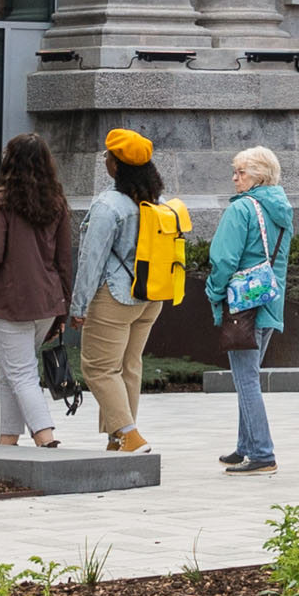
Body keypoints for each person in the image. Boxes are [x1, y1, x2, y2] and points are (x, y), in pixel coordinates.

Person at [70, 132, 177, 455]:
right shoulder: (151, 202)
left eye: (107, 157)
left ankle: (129, 435)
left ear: (117, 165)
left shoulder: (108, 206)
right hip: (150, 298)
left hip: (114, 297)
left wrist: (79, 305)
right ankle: (117, 438)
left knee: (99, 368)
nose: (105, 161)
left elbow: (92, 259)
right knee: (129, 366)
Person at [0, 132, 75, 446]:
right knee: (13, 369)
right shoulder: (56, 201)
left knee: (20, 372)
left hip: (10, 299)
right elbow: (64, 259)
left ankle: (45, 437)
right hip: (47, 299)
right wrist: (64, 306)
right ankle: (7, 440)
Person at [207, 142, 296, 474]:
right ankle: (246, 445)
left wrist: (215, 293)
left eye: (240, 172)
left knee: (246, 379)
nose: (234, 178)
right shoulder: (282, 209)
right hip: (270, 301)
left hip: (242, 305)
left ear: (258, 176)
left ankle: (262, 453)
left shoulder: (241, 209)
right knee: (249, 375)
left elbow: (223, 259)